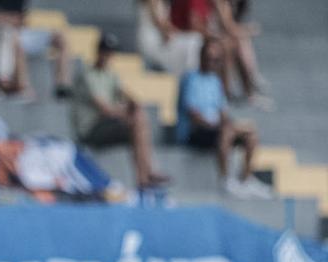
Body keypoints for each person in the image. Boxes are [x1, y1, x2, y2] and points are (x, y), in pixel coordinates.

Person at [70, 32, 170, 191]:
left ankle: (145, 176)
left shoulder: (110, 75)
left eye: (111, 52)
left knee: (139, 119)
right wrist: (128, 112)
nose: (109, 56)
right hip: (90, 129)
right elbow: (105, 109)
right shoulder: (87, 75)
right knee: (137, 122)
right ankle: (146, 175)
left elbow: (125, 94)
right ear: (99, 51)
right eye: (106, 51)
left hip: (106, 125)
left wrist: (134, 104)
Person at [177, 37, 269, 199]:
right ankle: (226, 179)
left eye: (217, 60)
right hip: (196, 131)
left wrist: (226, 124)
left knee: (250, 133)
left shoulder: (215, 81)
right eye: (210, 58)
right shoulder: (190, 79)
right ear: (201, 56)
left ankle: (245, 179)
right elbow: (193, 114)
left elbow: (223, 112)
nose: (213, 62)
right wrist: (217, 125)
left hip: (216, 130)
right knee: (227, 130)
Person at [137, 0, 203, 77]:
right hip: (153, 42)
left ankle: (190, 75)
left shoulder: (164, 2)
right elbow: (159, 23)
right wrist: (176, 33)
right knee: (194, 41)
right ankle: (191, 76)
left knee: (194, 40)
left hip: (159, 40)